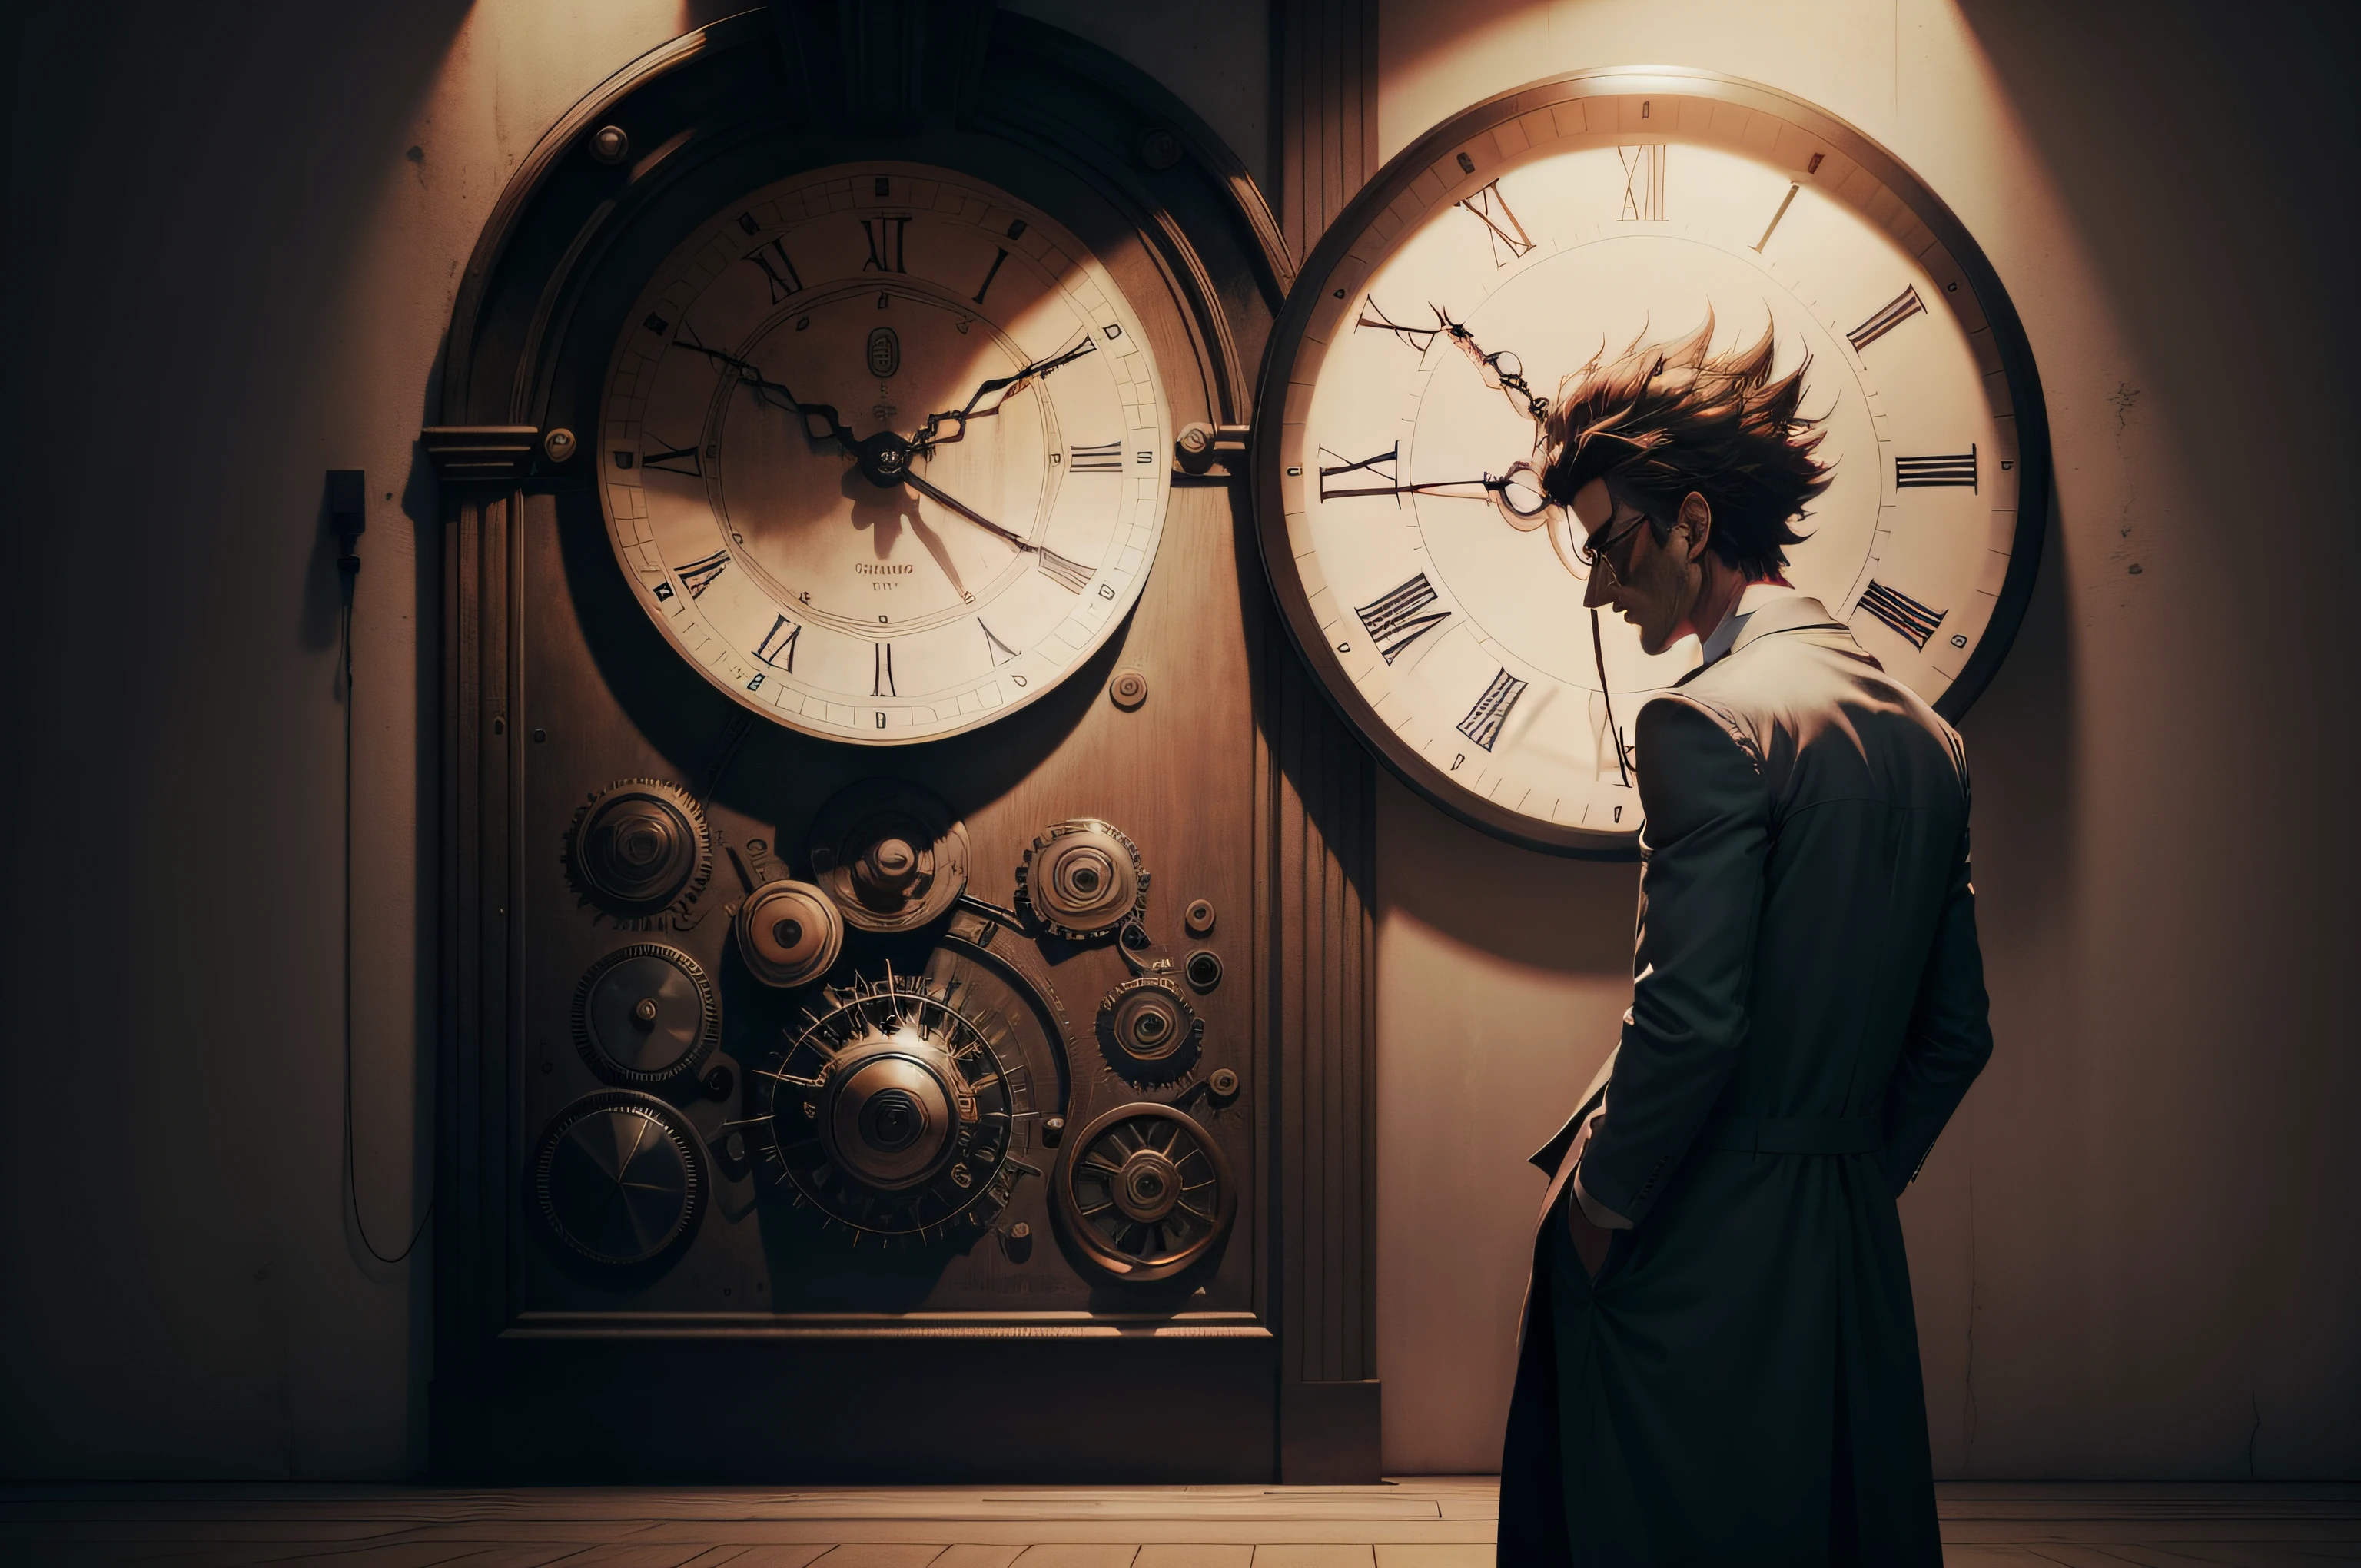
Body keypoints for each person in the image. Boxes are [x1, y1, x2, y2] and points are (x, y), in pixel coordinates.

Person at [1496, 314, 1994, 1566]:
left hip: (1698, 1232)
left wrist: (1602, 1207)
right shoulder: (1927, 739)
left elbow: (1690, 1019)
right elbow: (1956, 1037)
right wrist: (1850, 1180)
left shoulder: (1706, 723)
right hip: (1845, 1238)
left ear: (1695, 524)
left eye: (1610, 548)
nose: (1601, 589)